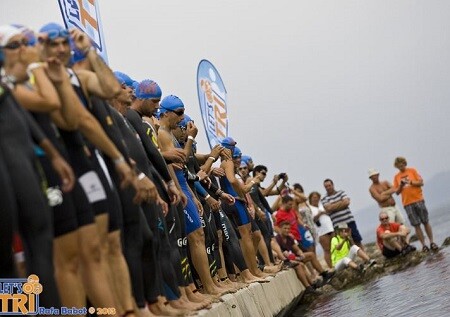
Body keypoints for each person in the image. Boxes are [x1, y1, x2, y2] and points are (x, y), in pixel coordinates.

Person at [390, 157, 438, 252]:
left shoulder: (412, 171)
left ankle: (432, 242)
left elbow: (421, 182)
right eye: (398, 165)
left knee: (425, 221)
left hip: (418, 199)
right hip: (407, 203)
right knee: (416, 225)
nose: (401, 166)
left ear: (405, 163)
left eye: (402, 164)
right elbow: (397, 192)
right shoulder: (396, 177)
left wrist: (410, 182)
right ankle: (424, 245)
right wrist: (401, 185)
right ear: (396, 166)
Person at [275, 221, 335, 293]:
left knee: (311, 254)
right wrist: (295, 258)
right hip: (285, 260)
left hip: (293, 257)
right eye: (285, 228)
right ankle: (310, 286)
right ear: (280, 228)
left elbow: (296, 249)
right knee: (301, 265)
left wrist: (301, 254)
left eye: (288, 229)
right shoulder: (277, 239)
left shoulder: (289, 238)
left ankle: (323, 274)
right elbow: (282, 254)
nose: (287, 230)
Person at [321, 179, 364, 250]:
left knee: (357, 239)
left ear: (333, 185)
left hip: (349, 221)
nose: (328, 187)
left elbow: (346, 202)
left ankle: (366, 258)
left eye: (329, 185)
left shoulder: (341, 192)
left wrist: (333, 206)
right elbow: (328, 208)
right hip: (338, 225)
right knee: (344, 243)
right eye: (326, 186)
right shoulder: (324, 198)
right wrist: (341, 203)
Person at [309, 191, 334, 269]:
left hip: (330, 227)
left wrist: (325, 212)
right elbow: (312, 219)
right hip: (321, 232)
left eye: (317, 197)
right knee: (327, 249)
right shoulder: (310, 208)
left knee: (334, 247)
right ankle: (331, 266)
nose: (315, 199)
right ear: (310, 199)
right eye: (314, 198)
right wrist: (320, 214)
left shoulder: (322, 205)